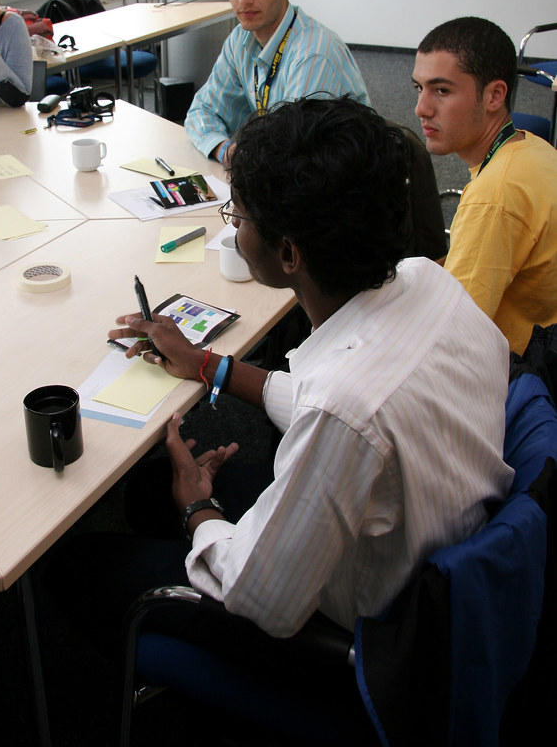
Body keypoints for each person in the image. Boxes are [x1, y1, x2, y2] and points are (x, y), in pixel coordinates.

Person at [48, 98, 511, 646]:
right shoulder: (427, 279)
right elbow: (332, 401)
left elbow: (263, 600)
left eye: (237, 216)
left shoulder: (344, 412)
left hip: (364, 640)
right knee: (148, 491)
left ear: (289, 253)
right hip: (423, 543)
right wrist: (206, 364)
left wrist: (199, 505)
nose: (234, 229)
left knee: (75, 563)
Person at [413, 16, 557, 354]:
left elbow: (448, 340)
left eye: (442, 90)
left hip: (514, 374)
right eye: (419, 88)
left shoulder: (493, 197)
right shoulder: (533, 146)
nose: (421, 108)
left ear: (494, 95)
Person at [184, 0, 369, 164]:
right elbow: (202, 112)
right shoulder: (240, 40)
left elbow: (298, 157)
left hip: (341, 186)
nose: (244, 0)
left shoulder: (313, 55)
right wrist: (225, 149)